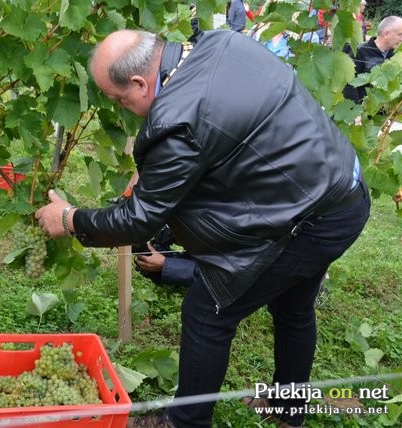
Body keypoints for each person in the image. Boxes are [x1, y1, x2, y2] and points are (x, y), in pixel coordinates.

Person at [36, 28, 370, 428]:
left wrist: (70, 220)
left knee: (208, 310)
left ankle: (186, 423)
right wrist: (156, 177)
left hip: (312, 219)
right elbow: (229, 137)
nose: (124, 109)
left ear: (141, 82)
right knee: (293, 307)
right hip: (341, 189)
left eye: (121, 99)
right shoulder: (220, 43)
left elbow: (138, 220)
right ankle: (288, 411)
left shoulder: (175, 119)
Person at [343, 16, 402, 105]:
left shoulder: (395, 55)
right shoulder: (360, 51)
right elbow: (349, 84)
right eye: (400, 35)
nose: (401, 39)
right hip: (362, 110)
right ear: (386, 34)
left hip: (382, 113)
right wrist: (355, 111)